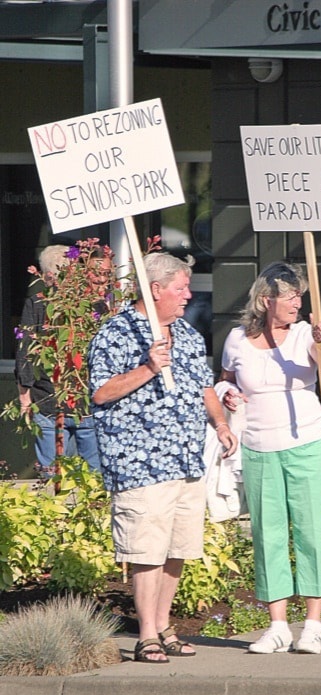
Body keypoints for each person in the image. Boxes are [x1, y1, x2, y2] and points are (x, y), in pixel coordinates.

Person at [87, 251, 237, 664]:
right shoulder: (117, 334)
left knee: (177, 549)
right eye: (181, 287)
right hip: (141, 461)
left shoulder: (186, 334)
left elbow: (205, 386)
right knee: (146, 550)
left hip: (187, 459)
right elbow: (101, 392)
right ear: (156, 289)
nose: (189, 294)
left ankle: (165, 625)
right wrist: (149, 368)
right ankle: (146, 634)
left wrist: (220, 424)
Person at [219, 261, 321, 655]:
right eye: (289, 296)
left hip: (304, 440)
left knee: (312, 529)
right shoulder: (237, 338)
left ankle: (314, 624)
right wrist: (227, 394)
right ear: (265, 300)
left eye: (299, 295)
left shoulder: (305, 332)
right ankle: (277, 625)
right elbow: (226, 379)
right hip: (257, 445)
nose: (297, 302)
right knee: (267, 533)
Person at [15, 244, 101, 474]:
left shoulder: (38, 303)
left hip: (51, 401)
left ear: (47, 274)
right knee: (94, 474)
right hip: (81, 400)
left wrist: (25, 399)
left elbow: (25, 352)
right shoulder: (92, 304)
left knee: (53, 476)